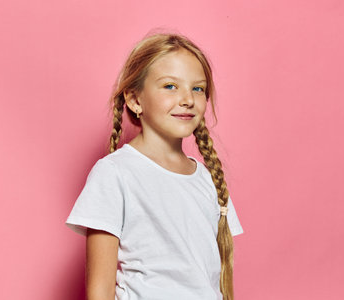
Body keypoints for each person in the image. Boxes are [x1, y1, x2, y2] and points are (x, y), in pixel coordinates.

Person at [65, 31, 244, 300]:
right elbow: (99, 291)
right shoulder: (115, 174)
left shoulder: (207, 179)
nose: (187, 98)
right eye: (170, 86)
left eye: (198, 88)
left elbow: (212, 278)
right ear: (135, 100)